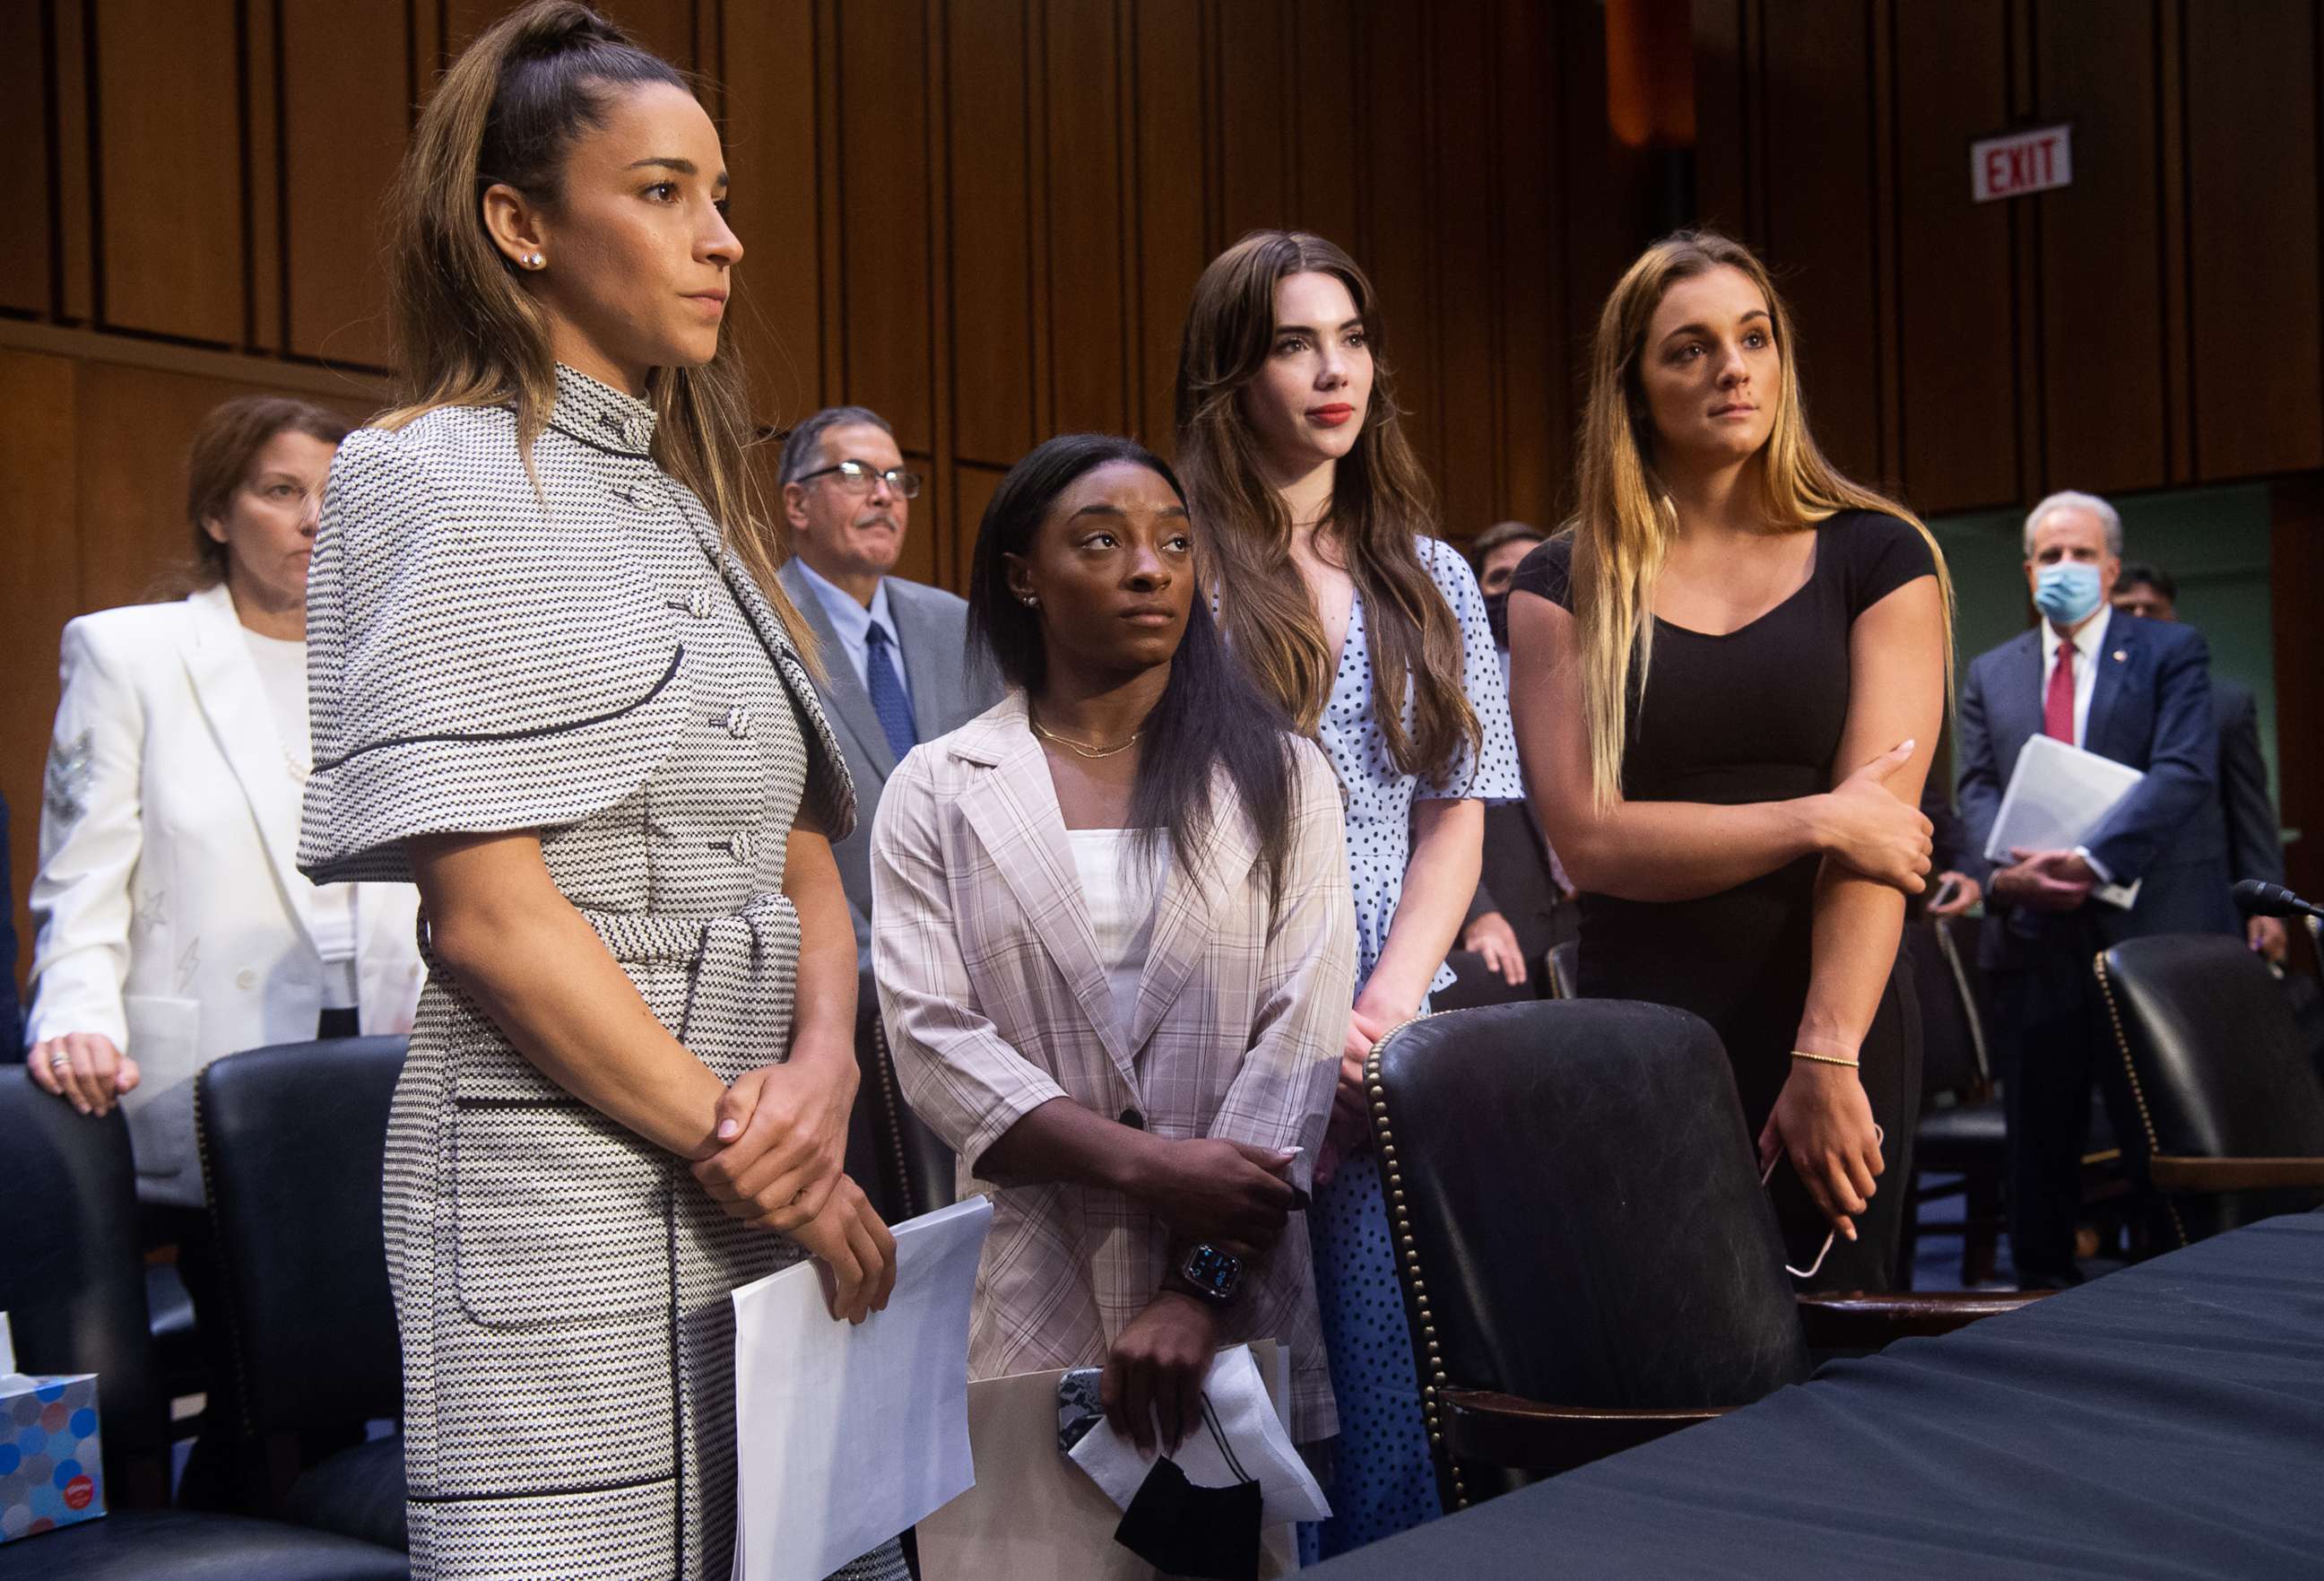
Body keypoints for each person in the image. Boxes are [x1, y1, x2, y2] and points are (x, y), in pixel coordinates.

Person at [294, 7, 901, 1577]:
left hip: (759, 1145)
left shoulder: (687, 498)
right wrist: (751, 1132)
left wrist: (823, 1073)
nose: (724, 238)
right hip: (558, 1169)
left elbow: (805, 860)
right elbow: (490, 921)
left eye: (718, 192)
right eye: (662, 192)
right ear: (519, 225)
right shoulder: (422, 470)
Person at [873, 433, 1355, 1458]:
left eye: (1175, 543)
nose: (1149, 567)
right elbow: (934, 1044)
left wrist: (1199, 1287)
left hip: (1235, 1297)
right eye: (1101, 541)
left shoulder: (1283, 775)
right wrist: (1153, 1168)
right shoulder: (939, 786)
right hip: (1028, 1282)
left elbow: (1299, 1043)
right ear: (1024, 577)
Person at [1506, 230, 1949, 1292]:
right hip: (1645, 1031)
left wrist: (1827, 1050)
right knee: (1665, 1364)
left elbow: (1879, 844)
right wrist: (1817, 816)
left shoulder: (1879, 552)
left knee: (1847, 1360)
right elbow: (1590, 839)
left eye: (1754, 338)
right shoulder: (1561, 580)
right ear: (1635, 385)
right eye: (1690, 349)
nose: (1733, 368)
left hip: (1837, 1006)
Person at [1175, 230, 1522, 1556]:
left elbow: (1454, 820)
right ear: (1231, 369)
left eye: (1354, 338)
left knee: (1391, 1379)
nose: (1336, 371)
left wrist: (1377, 1015)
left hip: (1393, 1020)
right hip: (1226, 1006)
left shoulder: (1428, 573)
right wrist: (1303, 1031)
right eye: (1293, 342)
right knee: (1249, 1391)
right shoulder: (1177, 559)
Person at [24, 394, 424, 1203]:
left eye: (335, 493)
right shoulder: (129, 654)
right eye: (281, 491)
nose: (316, 519)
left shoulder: (402, 663)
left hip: (390, 1046)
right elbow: (81, 876)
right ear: (216, 514)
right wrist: (74, 1016)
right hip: (217, 1047)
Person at [1957, 492, 2229, 1286]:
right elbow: (1974, 787)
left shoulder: (2169, 652)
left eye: (2081, 555)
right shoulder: (1991, 672)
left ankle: (2173, 1318)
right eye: (2050, 556)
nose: (2065, 569)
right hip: (2032, 947)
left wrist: (2091, 857)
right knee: (2038, 1156)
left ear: (2111, 567)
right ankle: (2037, 1322)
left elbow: (2184, 770)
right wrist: (2001, 873)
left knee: (2159, 1152)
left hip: (2140, 940)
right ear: (2027, 571)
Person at [775, 405, 1002, 967]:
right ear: (797, 504)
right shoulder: (756, 623)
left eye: (898, 479)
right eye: (856, 475)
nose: (885, 495)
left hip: (975, 961)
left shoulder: (957, 625)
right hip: (833, 973)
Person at [2112, 559, 2289, 963]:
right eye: (2127, 610)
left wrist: (2267, 909)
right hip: (2104, 900)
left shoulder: (2225, 703)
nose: (2141, 620)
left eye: (2151, 610)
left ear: (2172, 616)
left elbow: (2251, 815)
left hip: (2198, 902)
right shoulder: (2086, 698)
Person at [1447, 519, 1575, 1003]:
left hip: (1589, 926)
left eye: (1536, 574)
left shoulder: (1593, 680)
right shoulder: (1449, 685)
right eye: (1502, 577)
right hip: (1501, 930)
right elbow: (1420, 811)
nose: (1520, 589)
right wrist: (1475, 912)